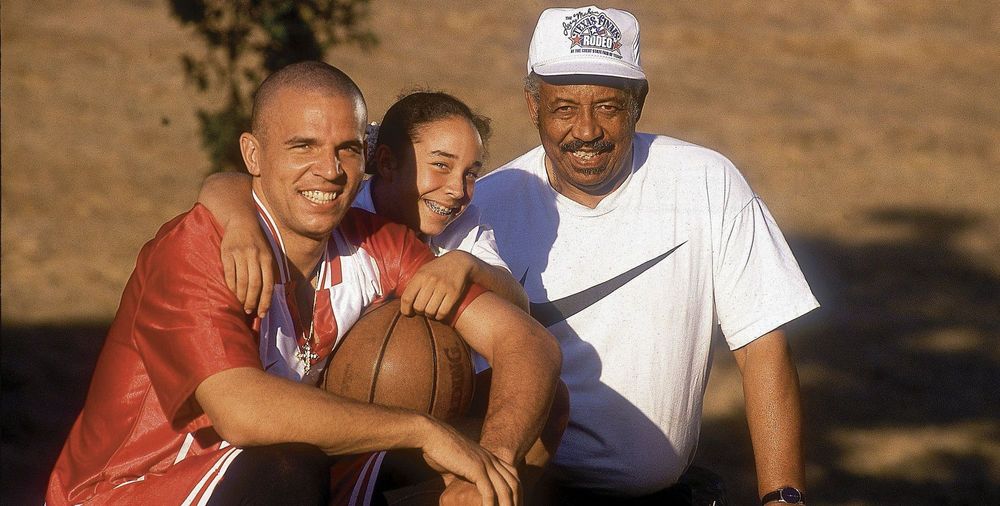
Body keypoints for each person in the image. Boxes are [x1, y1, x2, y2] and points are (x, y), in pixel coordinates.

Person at [45, 61, 561, 506]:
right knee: (289, 465)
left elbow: (526, 341)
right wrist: (422, 431)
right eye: (303, 146)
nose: (330, 170)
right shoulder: (197, 246)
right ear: (253, 156)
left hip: (282, 475)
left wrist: (489, 465)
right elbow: (242, 412)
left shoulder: (377, 242)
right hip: (132, 487)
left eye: (347, 149)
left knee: (530, 413)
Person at [470, 6, 819, 505]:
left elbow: (763, 349)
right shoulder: (485, 206)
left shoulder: (706, 183)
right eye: (564, 107)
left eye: (608, 107)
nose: (586, 131)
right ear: (532, 104)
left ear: (639, 103)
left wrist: (783, 498)